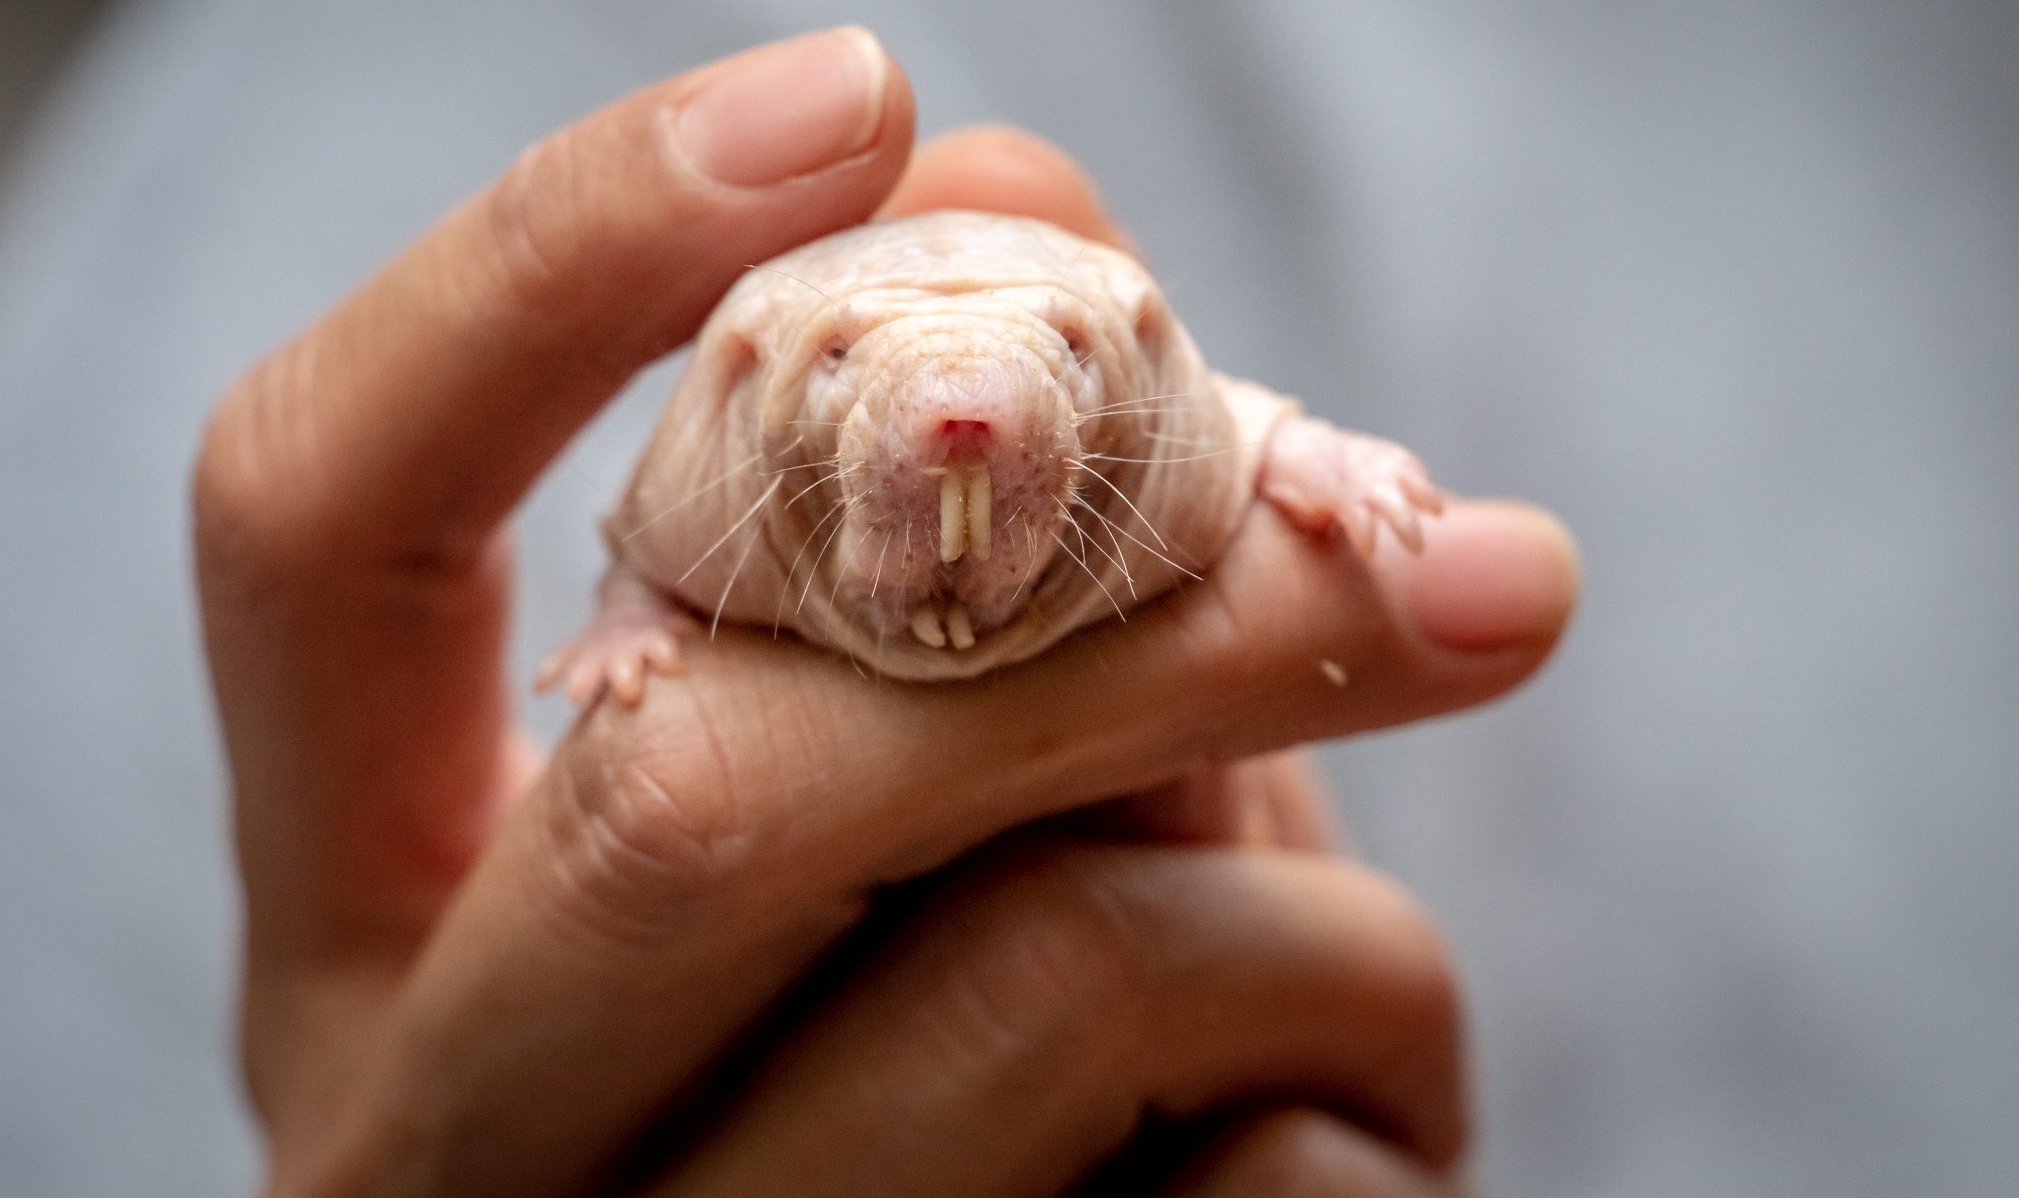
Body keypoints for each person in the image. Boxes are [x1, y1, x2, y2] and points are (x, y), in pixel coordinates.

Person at [190, 29, 1577, 1195]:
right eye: (850, 356)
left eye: (1065, 350)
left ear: (1134, 352)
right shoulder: (711, 486)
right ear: (751, 369)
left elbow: (1249, 429)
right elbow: (644, 553)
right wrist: (625, 618)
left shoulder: (1173, 430)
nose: (964, 412)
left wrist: (1325, 464)